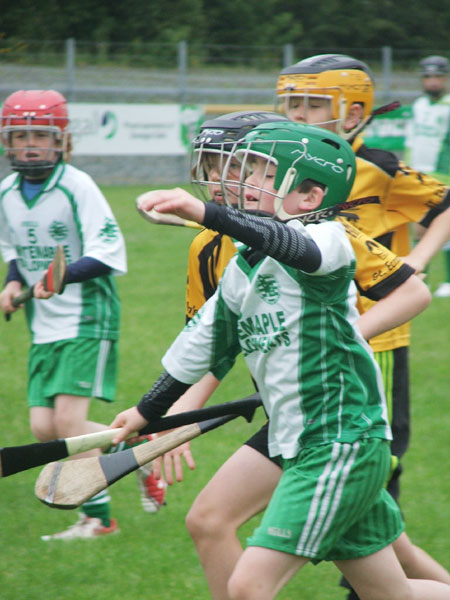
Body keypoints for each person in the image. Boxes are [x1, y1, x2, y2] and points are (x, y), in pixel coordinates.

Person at [111, 121, 450, 600]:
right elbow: (199, 350)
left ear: (310, 197)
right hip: (300, 438)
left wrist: (206, 212)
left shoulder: (326, 239)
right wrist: (147, 412)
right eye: (247, 169)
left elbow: (293, 246)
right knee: (393, 594)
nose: (245, 181)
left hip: (340, 441)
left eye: (264, 174)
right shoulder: (240, 270)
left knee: (250, 585)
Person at [0, 89, 164, 540]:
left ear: (62, 140)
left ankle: (98, 519)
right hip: (45, 325)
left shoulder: (78, 185)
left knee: (70, 425)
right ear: (6, 142)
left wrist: (61, 278)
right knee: (43, 428)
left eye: (41, 135)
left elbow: (109, 254)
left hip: (88, 316)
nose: (30, 144)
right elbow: (15, 252)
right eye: (20, 136)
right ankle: (134, 445)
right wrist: (14, 283)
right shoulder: (7, 193)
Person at [404, 55, 450, 297]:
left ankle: (449, 282)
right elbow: (412, 140)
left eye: (437, 77)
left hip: (445, 173)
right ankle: (422, 279)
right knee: (420, 228)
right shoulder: (419, 105)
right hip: (420, 174)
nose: (432, 82)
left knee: (445, 226)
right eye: (428, 77)